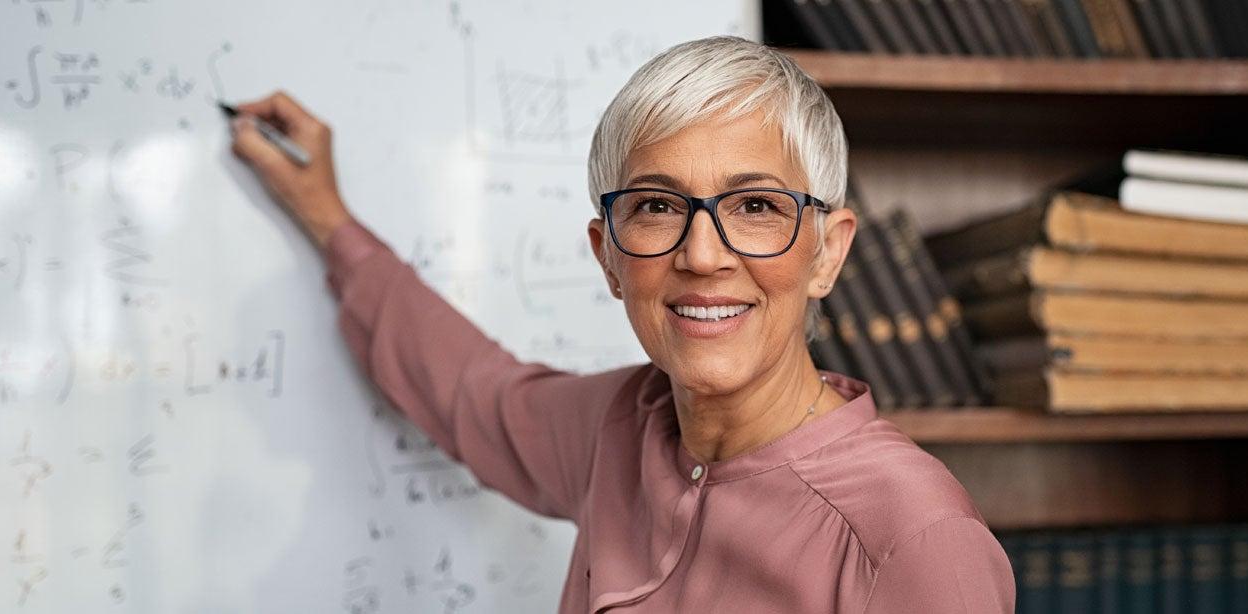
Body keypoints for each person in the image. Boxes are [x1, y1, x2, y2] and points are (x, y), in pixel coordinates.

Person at [229, 35, 1014, 614]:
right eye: (658, 206)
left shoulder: (915, 539)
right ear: (608, 256)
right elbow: (471, 390)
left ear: (827, 253)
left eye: (755, 206)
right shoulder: (617, 429)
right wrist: (328, 217)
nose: (702, 255)